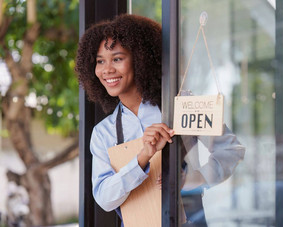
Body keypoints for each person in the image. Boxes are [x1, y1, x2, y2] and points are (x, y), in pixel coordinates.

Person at [75, 14, 245, 226]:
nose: (107, 69)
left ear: (140, 58)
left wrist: (191, 179)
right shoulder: (103, 133)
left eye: (117, 59)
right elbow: (104, 198)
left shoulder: (181, 105)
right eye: (100, 61)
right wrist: (142, 157)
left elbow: (231, 150)